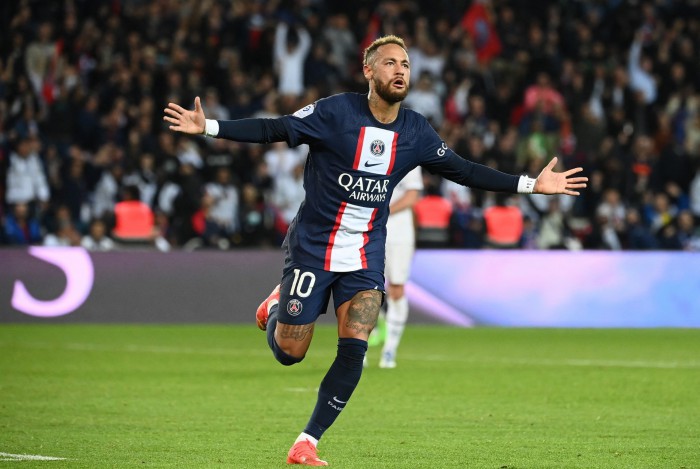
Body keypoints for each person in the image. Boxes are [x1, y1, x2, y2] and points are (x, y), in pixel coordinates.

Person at [164, 35, 587, 466]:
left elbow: (463, 170)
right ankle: (277, 304)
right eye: (389, 63)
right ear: (368, 71)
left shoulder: (416, 131)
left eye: (405, 64)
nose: (400, 70)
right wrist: (210, 127)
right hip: (314, 246)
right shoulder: (335, 113)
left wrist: (531, 184)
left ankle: (307, 441)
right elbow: (276, 128)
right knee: (290, 352)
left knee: (355, 345)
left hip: (365, 252)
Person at [377, 166, 423, 368]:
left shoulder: (411, 157)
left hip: (399, 234)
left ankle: (389, 350)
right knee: (364, 288)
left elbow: (412, 196)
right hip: (370, 231)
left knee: (396, 290)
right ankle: (359, 350)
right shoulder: (367, 153)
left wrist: (382, 212)